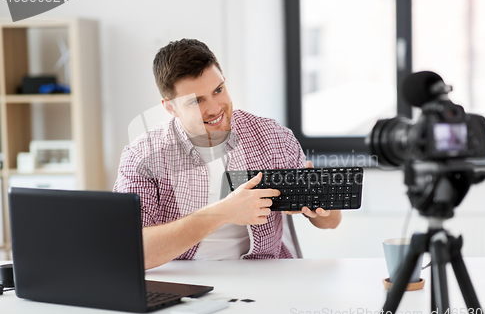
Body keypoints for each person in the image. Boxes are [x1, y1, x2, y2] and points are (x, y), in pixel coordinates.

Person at [114, 39, 341, 270]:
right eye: (196, 101)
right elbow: (131, 250)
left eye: (218, 90)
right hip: (185, 278)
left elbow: (332, 221)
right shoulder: (142, 156)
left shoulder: (273, 136)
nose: (214, 109)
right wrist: (222, 212)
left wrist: (319, 207)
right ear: (171, 108)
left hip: (266, 274)